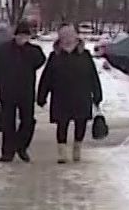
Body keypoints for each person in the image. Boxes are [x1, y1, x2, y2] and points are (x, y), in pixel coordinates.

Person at [37, 24, 103, 164]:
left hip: (82, 96)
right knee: (62, 123)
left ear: (75, 37)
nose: (67, 40)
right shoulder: (55, 56)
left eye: (70, 37)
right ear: (60, 39)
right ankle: (62, 152)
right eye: (64, 38)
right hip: (61, 96)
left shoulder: (84, 55)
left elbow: (93, 76)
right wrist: (42, 96)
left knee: (81, 122)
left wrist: (97, 94)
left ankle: (77, 148)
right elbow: (47, 77)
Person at [0, 19, 46, 163]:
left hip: (26, 92)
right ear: (15, 35)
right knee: (8, 123)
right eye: (20, 36)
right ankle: (7, 151)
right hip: (7, 91)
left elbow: (40, 60)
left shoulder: (32, 51)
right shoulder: (2, 51)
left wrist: (28, 47)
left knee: (28, 121)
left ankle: (21, 146)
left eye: (25, 36)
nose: (22, 39)